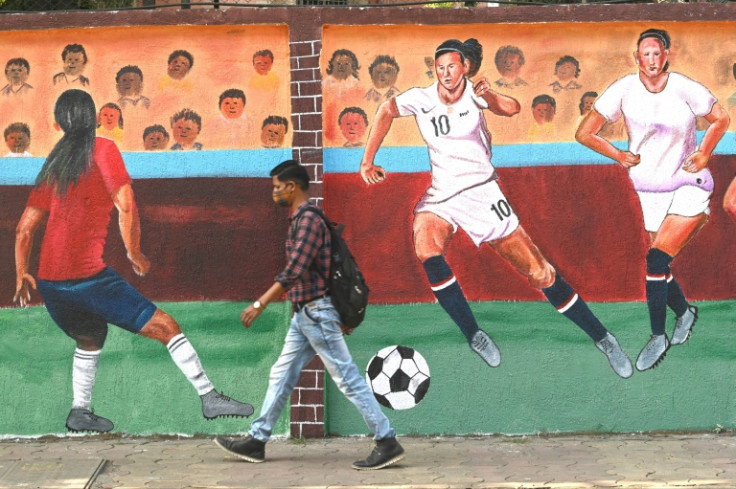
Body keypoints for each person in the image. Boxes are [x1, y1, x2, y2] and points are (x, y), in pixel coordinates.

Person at [360, 39, 632, 378]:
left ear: (465, 68)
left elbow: (512, 107)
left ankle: (603, 338)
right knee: (425, 245)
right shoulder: (421, 98)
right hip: (443, 195)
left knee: (540, 273)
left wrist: (488, 96)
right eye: (440, 67)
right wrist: (367, 160)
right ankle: (474, 334)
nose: (446, 73)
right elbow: (386, 109)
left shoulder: (477, 93)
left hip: (483, 193)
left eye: (452, 66)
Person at [14, 89, 253, 433]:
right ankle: (209, 397)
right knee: (167, 328)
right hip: (87, 278)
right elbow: (125, 203)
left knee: (91, 336)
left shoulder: (54, 163)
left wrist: (22, 272)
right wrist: (134, 252)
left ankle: (79, 411)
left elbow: (24, 229)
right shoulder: (103, 149)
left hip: (51, 285)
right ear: (94, 118)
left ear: (57, 123)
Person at [214, 160, 405, 470]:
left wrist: (259, 304)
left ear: (292, 187)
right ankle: (257, 440)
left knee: (347, 379)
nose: (274, 192)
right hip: (305, 316)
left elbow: (295, 271)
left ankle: (386, 440)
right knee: (281, 374)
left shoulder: (308, 221)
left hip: (316, 314)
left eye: (277, 187)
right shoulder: (301, 219)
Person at [576, 28, 730, 371]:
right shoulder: (624, 89)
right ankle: (686, 312)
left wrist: (705, 152)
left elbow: (721, 118)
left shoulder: (684, 87)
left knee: (656, 262)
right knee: (659, 266)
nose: (652, 60)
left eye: (657, 53)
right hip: (649, 190)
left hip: (689, 184)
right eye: (645, 54)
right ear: (637, 58)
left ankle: (657, 336)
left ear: (667, 56)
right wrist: (617, 154)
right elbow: (584, 132)